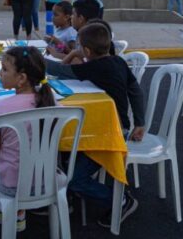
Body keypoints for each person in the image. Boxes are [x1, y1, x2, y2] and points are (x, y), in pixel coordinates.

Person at [45, 22, 144, 227]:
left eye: (79, 47)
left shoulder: (95, 67)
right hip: (108, 126)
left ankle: (120, 200)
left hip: (109, 133)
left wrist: (35, 60)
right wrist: (140, 122)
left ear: (87, 51)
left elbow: (60, 70)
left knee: (75, 179)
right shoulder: (117, 61)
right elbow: (135, 90)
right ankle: (66, 195)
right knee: (66, 153)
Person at [0, 46, 58, 231]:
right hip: (45, 182)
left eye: (4, 69)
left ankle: (8, 211)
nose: (0, 72)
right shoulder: (52, 103)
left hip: (9, 186)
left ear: (21, 78)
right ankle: (18, 213)